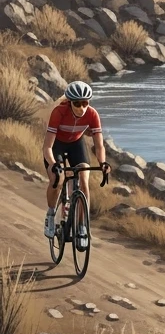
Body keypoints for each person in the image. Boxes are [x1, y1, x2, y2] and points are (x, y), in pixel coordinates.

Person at [43, 80, 109, 248]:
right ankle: (50, 215)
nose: (82, 107)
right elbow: (47, 147)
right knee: (57, 179)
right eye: (77, 103)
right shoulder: (59, 112)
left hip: (76, 144)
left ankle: (81, 226)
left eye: (85, 103)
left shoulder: (92, 114)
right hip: (57, 145)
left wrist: (103, 163)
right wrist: (53, 164)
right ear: (70, 102)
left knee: (84, 179)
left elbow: (99, 145)